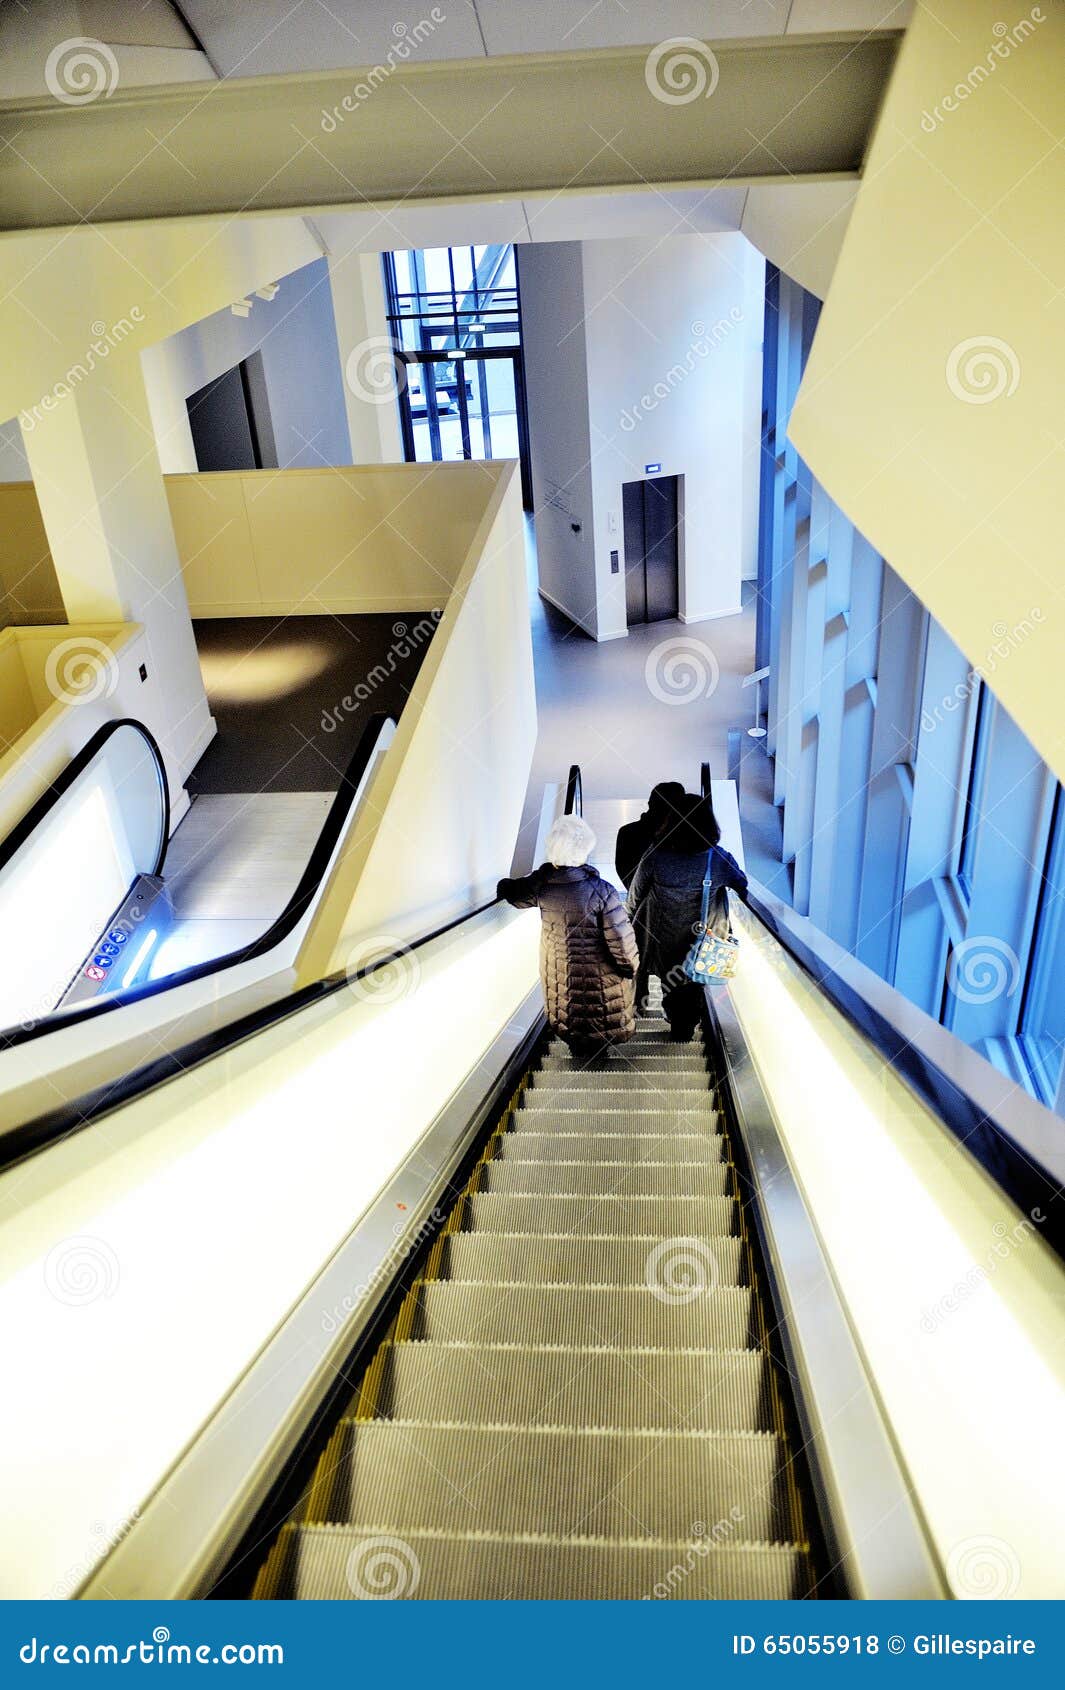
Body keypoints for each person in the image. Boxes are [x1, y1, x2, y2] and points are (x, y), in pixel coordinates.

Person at [498, 814, 639, 1058]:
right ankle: (598, 1064)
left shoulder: (541, 885)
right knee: (598, 1028)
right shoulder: (602, 891)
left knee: (573, 1025)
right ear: (584, 850)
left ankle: (578, 1053)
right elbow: (621, 942)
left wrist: (506, 883)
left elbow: (512, 892)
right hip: (600, 980)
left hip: (561, 977)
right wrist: (630, 968)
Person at [627, 794, 748, 1040]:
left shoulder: (656, 856)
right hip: (703, 941)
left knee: (669, 983)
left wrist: (626, 929)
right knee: (694, 983)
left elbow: (634, 897)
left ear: (670, 823)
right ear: (708, 823)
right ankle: (686, 1025)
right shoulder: (718, 858)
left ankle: (674, 1017)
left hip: (663, 940)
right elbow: (743, 886)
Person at [614, 780, 686, 889]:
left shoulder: (627, 832)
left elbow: (624, 872)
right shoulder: (681, 834)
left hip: (640, 900)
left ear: (650, 803)